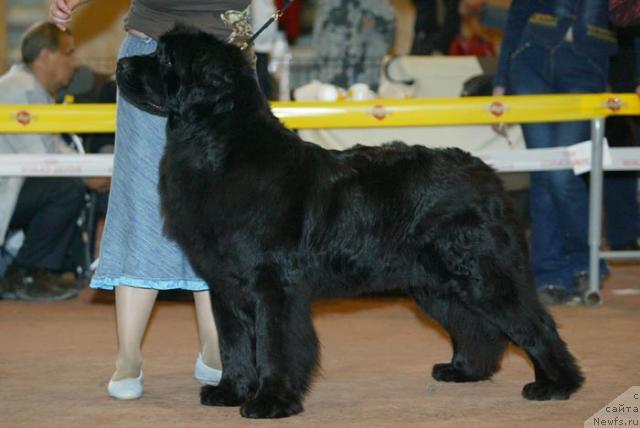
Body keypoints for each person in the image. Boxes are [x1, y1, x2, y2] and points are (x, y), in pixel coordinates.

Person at [49, 0, 252, 400]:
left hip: (226, 53)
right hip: (154, 53)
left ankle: (217, 348)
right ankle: (128, 355)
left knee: (222, 213)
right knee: (140, 200)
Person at [492, 0, 632, 305]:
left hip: (586, 69)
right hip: (529, 64)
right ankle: (551, 274)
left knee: (561, 175)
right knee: (545, 175)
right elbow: (517, 16)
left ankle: (582, 261)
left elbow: (630, 17)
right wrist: (501, 82)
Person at [0, 21, 110, 301]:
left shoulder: (32, 89)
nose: (75, 63)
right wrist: (86, 175)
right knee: (66, 188)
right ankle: (25, 272)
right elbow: (39, 157)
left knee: (68, 184)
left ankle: (35, 272)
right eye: (69, 53)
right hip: (8, 187)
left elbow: (54, 146)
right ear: (46, 55)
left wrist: (92, 169)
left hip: (15, 187)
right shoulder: (18, 89)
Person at [312, 0, 395, 91]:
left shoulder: (378, 5)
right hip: (334, 71)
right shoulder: (329, 5)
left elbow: (388, 27)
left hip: (367, 71)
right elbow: (320, 36)